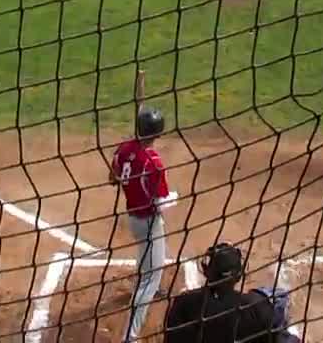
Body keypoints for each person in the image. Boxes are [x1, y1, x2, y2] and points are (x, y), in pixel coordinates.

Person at [112, 106, 176, 343]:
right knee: (152, 277)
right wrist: (175, 198)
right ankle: (130, 336)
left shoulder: (124, 148)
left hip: (132, 217)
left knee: (144, 252)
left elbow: (113, 178)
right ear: (158, 133)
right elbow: (160, 202)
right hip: (149, 220)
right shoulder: (154, 161)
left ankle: (145, 282)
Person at [164, 243, 296, 343]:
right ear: (238, 275)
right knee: (277, 298)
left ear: (207, 272)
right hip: (254, 321)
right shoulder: (256, 307)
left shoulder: (184, 303)